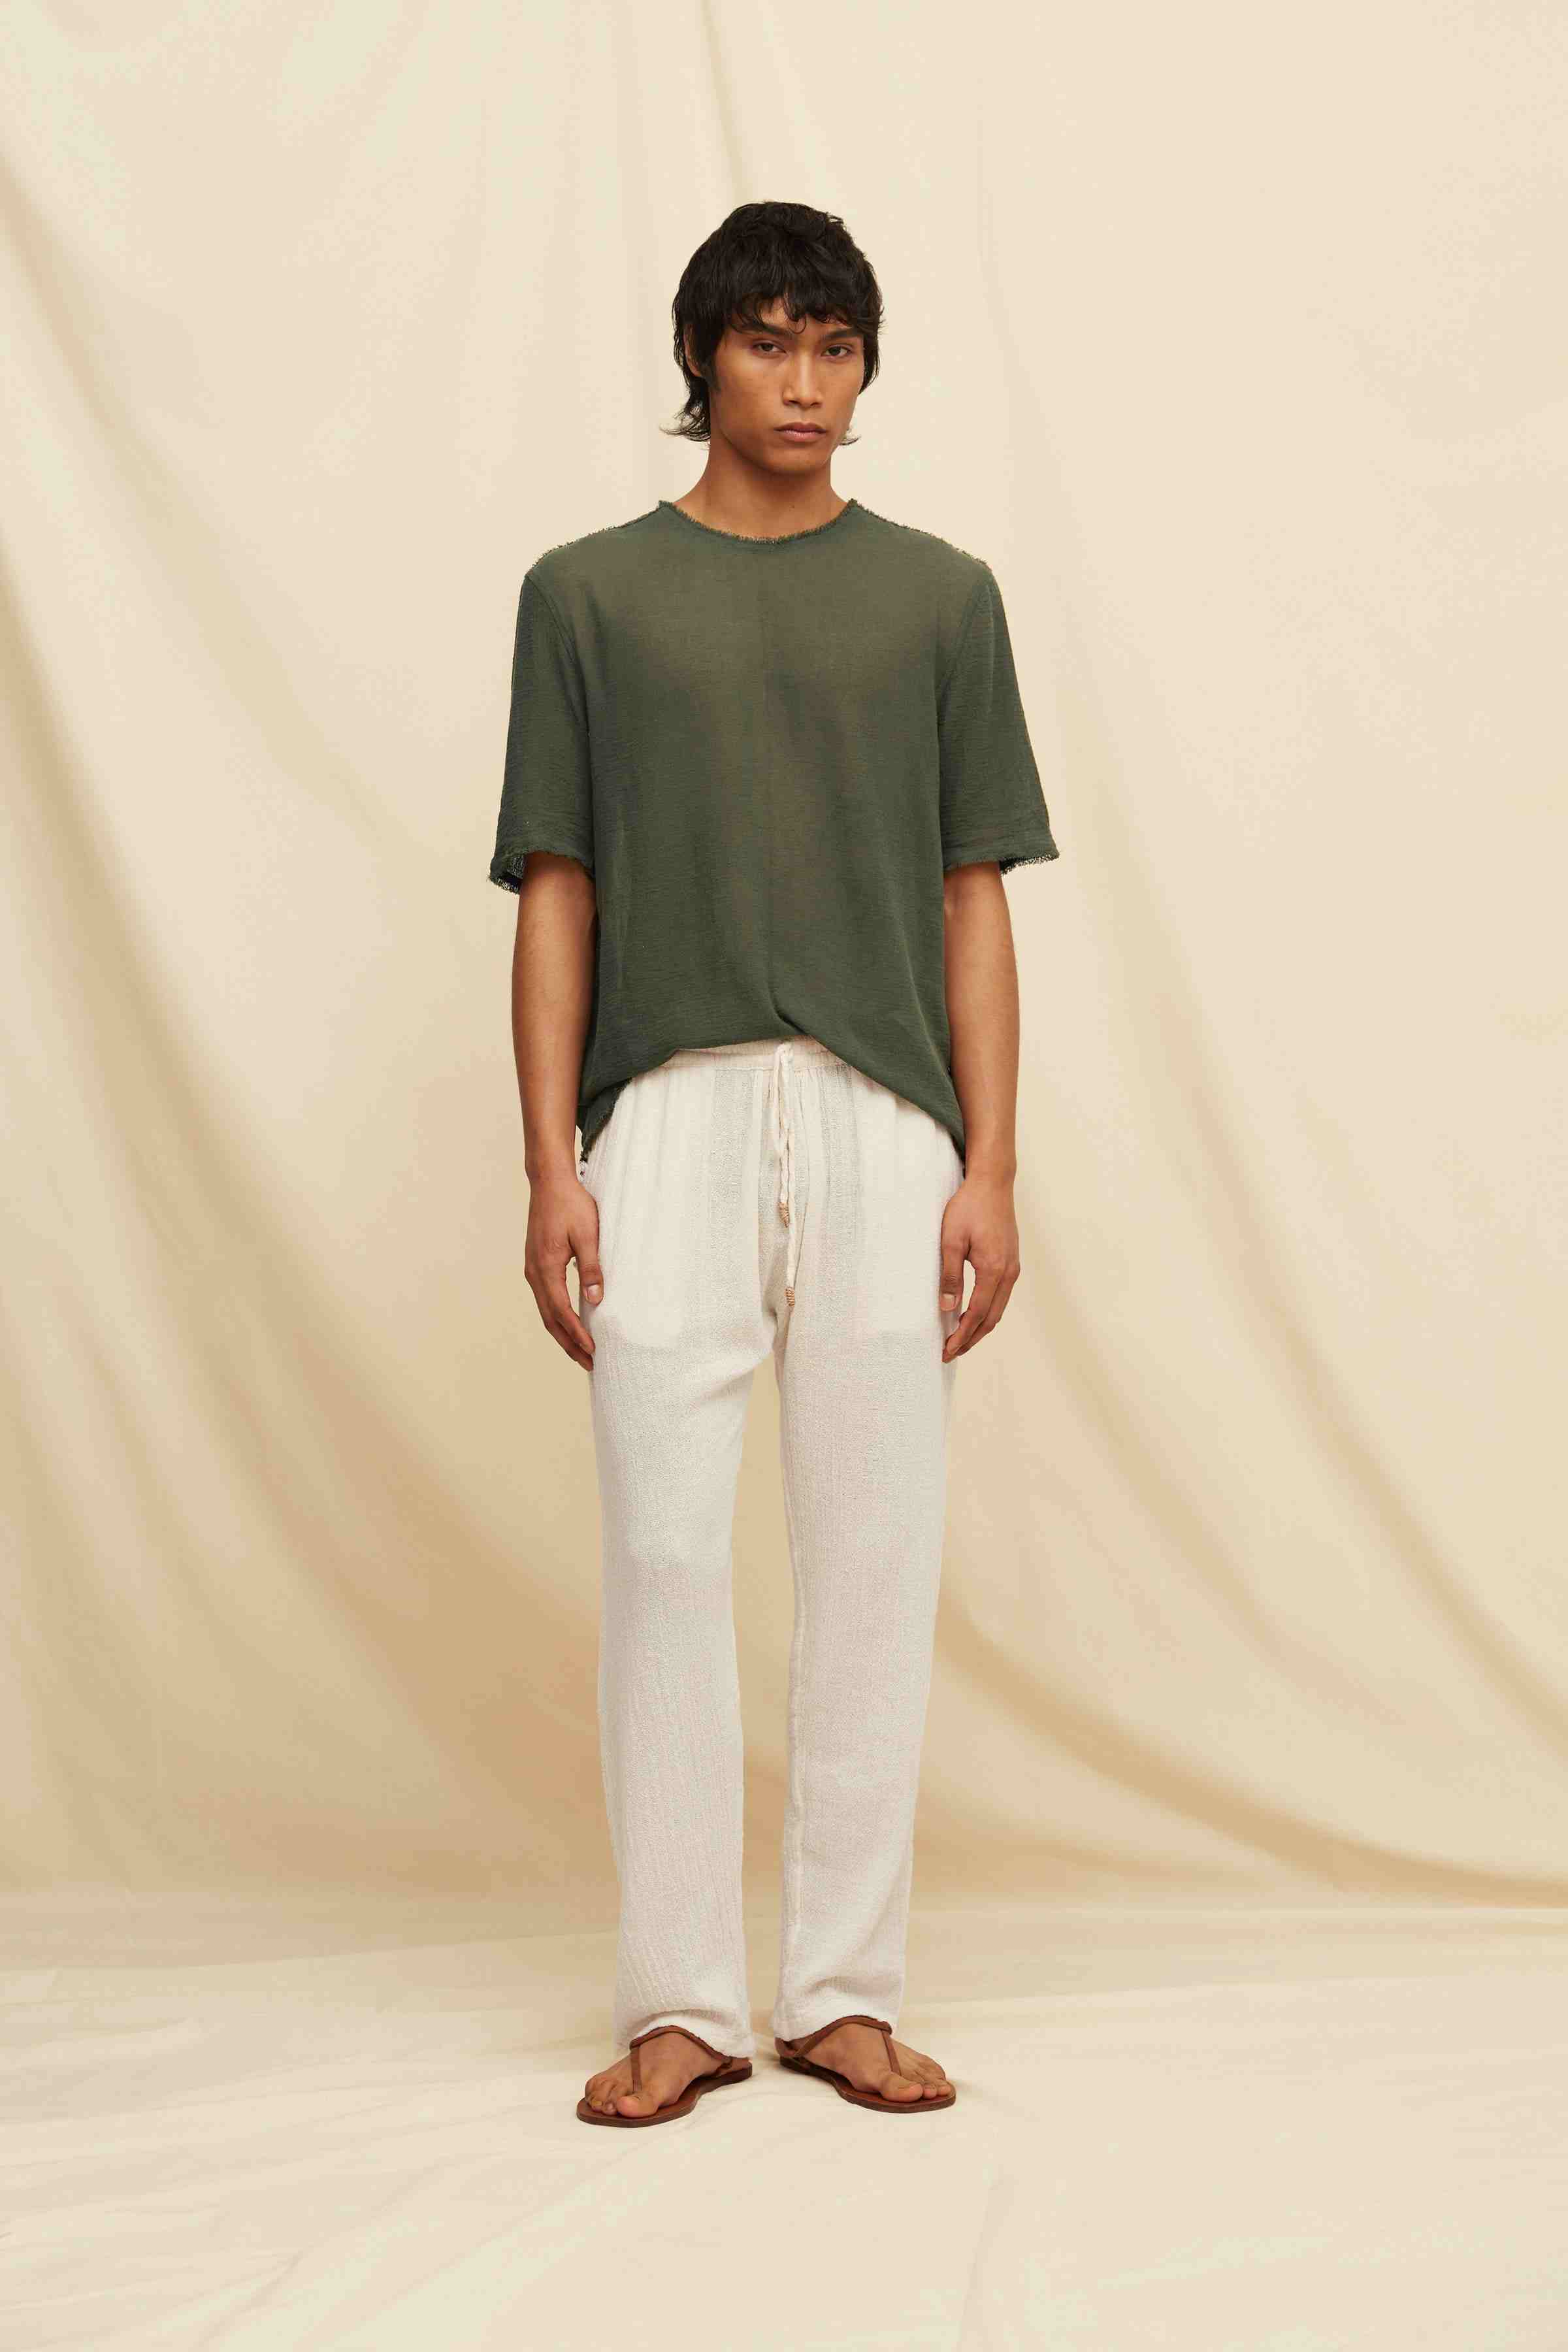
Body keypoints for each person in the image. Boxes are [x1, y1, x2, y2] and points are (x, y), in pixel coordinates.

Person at [490, 201, 1060, 2127]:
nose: (806, 383)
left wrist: (992, 1164)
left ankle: (840, 1991)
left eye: (836, 346)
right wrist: (550, 1162)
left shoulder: (942, 599)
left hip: (888, 1120)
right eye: (767, 343)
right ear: (701, 359)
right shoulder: (585, 596)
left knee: (874, 1558)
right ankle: (678, 2000)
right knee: (663, 1557)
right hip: (662, 1113)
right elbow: (556, 890)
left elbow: (974, 897)